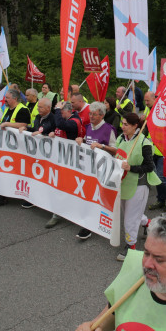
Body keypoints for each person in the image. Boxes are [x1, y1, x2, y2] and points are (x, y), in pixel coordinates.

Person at [114, 112, 161, 261]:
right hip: (122, 183)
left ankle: (131, 246)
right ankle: (149, 223)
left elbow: (149, 166)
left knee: (129, 219)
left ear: (135, 126)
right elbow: (116, 155)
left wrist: (131, 168)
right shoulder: (121, 138)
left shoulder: (144, 143)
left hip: (138, 185)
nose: (122, 126)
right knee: (131, 214)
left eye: (126, 124)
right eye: (122, 123)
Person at [73, 101, 117, 238]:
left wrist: (102, 147)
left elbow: (115, 150)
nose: (91, 116)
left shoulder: (109, 129)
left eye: (94, 114)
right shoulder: (89, 127)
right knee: (89, 195)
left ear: (102, 115)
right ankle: (88, 225)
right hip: (89, 169)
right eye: (90, 113)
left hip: (103, 170)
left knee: (102, 198)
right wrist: (81, 140)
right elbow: (87, 142)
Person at [0, 90, 31, 206]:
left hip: (18, 147)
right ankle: (2, 196)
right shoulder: (7, 109)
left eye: (7, 98)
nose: (5, 100)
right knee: (4, 171)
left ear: (15, 98)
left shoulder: (22, 109)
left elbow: (24, 124)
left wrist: (7, 125)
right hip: (6, 147)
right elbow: (4, 121)